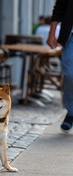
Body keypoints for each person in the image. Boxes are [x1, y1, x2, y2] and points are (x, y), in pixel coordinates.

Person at [47, 0, 73, 133]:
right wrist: (52, 33)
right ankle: (71, 112)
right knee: (69, 74)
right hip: (70, 37)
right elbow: (59, 9)